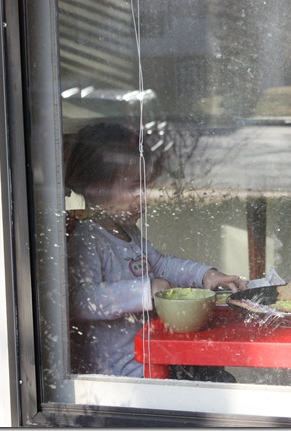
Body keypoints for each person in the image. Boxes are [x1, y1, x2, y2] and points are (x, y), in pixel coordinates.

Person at [65, 122, 248, 378]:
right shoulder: (88, 237)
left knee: (218, 374)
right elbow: (80, 300)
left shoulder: (130, 234)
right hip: (122, 374)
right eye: (134, 187)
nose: (146, 197)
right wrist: (145, 290)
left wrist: (205, 275)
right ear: (96, 187)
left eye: (148, 187)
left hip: (153, 356)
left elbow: (161, 264)